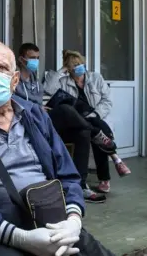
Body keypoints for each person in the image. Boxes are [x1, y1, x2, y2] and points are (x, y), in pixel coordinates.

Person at [0, 39, 115, 256]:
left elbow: (68, 174)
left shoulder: (36, 117)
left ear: (14, 79)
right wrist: (19, 237)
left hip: (52, 225)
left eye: (1, 68)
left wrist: (73, 220)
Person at [44, 50, 131, 196]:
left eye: (79, 64)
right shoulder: (64, 81)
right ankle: (116, 160)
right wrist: (61, 71)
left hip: (95, 114)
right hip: (76, 119)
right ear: (69, 69)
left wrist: (95, 114)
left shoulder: (95, 78)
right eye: (73, 66)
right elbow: (48, 89)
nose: (78, 68)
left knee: (97, 128)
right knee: (96, 133)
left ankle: (105, 178)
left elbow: (107, 100)